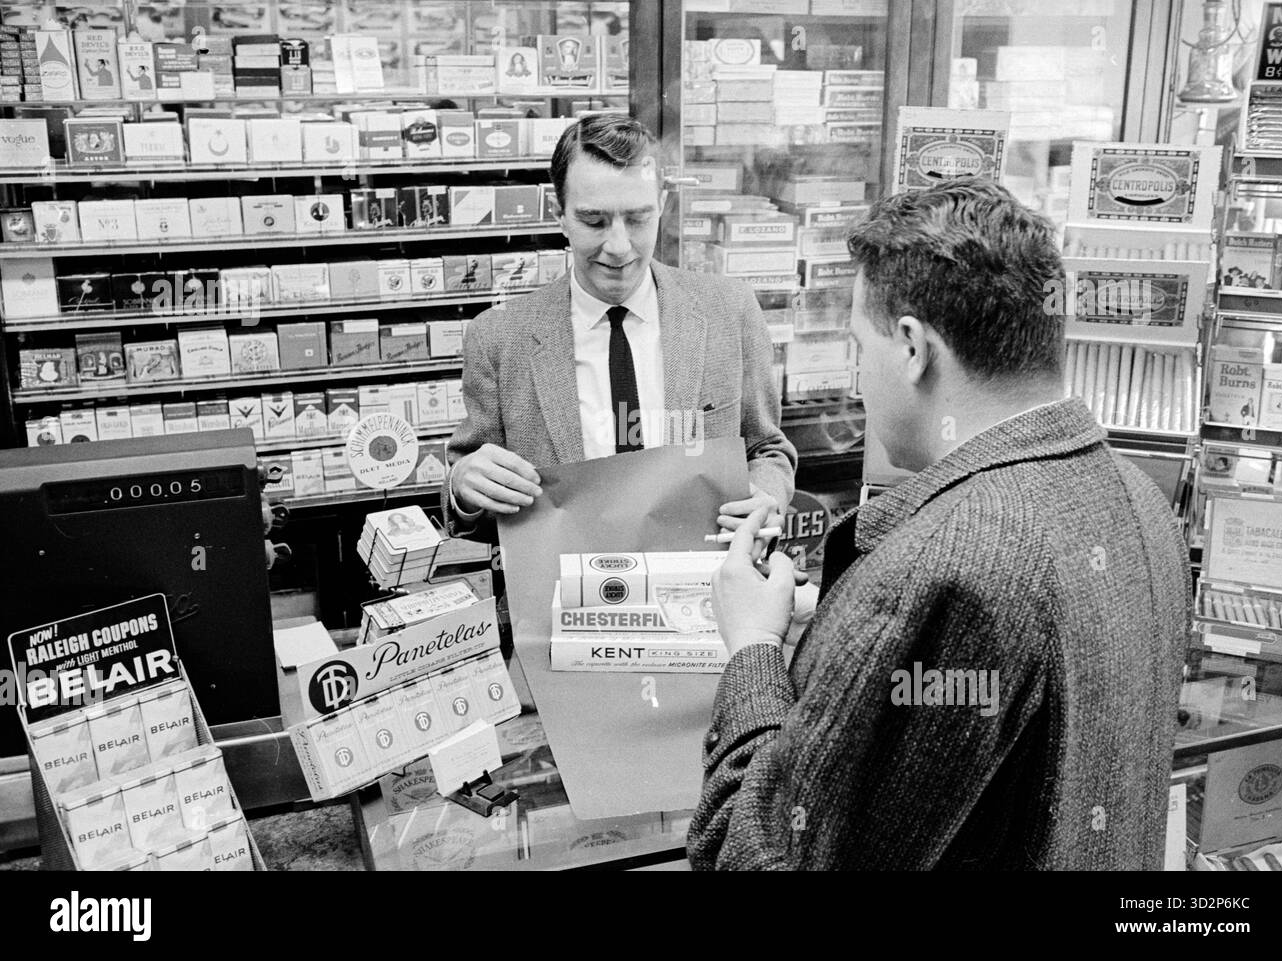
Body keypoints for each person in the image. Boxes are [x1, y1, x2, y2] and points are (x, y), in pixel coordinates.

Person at [689, 178, 1191, 870]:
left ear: (912, 347)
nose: (860, 380)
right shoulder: (1141, 501)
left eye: (859, 348)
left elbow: (756, 855)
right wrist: (839, 633)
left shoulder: (950, 565)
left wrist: (753, 648)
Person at [444, 114, 796, 545]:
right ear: (560, 216)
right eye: (594, 221)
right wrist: (465, 487)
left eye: (638, 218)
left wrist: (767, 497)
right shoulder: (499, 338)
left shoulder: (730, 311)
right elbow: (469, 492)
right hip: (564, 596)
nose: (618, 246)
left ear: (662, 206)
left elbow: (767, 450)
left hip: (702, 591)